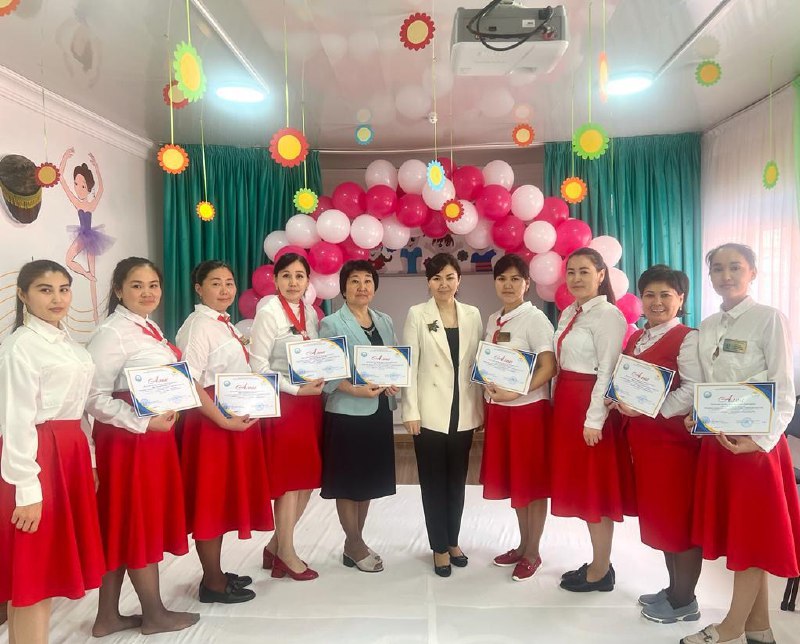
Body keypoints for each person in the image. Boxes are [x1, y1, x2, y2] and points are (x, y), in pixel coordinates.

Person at [681, 244, 800, 644]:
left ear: (753, 272)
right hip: (718, 443)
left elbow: (784, 388)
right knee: (746, 538)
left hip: (754, 448)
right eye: (717, 268)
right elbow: (708, 384)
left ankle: (731, 625)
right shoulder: (708, 325)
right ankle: (759, 629)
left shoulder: (769, 319)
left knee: (751, 538)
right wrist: (696, 415)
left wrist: (761, 442)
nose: (726, 275)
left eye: (735, 267)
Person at [85, 257, 198, 636]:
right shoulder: (112, 333)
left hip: (150, 438)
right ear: (118, 290)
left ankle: (107, 617)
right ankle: (154, 614)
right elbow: (92, 397)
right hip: (128, 442)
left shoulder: (146, 326)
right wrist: (142, 421)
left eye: (153, 285)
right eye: (137, 285)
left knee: (123, 524)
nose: (147, 292)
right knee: (137, 523)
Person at [0, 260, 105, 644]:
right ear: (23, 295)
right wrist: (27, 491)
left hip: (69, 455)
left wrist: (89, 460)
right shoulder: (20, 347)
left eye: (64, 289)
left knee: (40, 575)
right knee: (33, 575)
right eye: (45, 290)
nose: (57, 298)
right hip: (36, 458)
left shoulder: (69, 345)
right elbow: (15, 421)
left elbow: (78, 413)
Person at [607, 265, 704, 623]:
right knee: (662, 520)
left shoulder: (687, 338)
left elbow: (693, 389)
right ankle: (674, 588)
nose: (657, 301)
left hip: (673, 445)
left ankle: (684, 601)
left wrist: (651, 409)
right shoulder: (637, 338)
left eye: (666, 295)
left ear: (681, 299)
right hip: (645, 444)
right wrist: (618, 398)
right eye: (650, 294)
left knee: (678, 522)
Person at [175, 261, 274, 603]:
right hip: (211, 425)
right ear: (198, 288)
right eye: (215, 283)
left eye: (229, 283)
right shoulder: (199, 326)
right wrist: (221, 420)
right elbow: (189, 380)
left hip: (228, 420)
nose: (224, 289)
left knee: (222, 499)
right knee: (211, 501)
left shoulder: (221, 322)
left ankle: (215, 572)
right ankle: (212, 583)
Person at [402, 252, 484, 577]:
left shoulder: (473, 314)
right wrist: (410, 410)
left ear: (459, 280)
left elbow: (478, 363)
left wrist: (483, 406)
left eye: (449, 277)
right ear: (428, 283)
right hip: (429, 413)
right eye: (436, 278)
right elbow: (409, 365)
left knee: (457, 482)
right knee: (433, 483)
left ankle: (453, 541)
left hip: (463, 410)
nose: (444, 284)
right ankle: (438, 546)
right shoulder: (417, 314)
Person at [551, 247, 628, 593]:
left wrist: (594, 419)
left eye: (584, 271)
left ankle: (601, 570)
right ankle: (599, 562)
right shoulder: (571, 311)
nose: (576, 278)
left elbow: (607, 371)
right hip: (568, 402)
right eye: (571, 272)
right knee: (583, 488)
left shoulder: (608, 315)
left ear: (600, 275)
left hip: (589, 408)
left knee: (596, 490)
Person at [480, 253, 557, 582]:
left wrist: (517, 392)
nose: (508, 285)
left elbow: (549, 366)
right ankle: (522, 544)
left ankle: (533, 552)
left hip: (528, 413)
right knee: (516, 482)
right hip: (500, 412)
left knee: (532, 485)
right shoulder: (493, 318)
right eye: (502, 279)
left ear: (527, 284)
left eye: (515, 279)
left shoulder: (535, 320)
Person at [318, 260, 398, 573]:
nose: (362, 287)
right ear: (343, 288)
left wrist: (393, 381)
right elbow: (327, 373)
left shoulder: (384, 320)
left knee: (367, 482)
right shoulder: (332, 324)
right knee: (349, 483)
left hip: (378, 411)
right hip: (347, 413)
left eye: (367, 280)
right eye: (354, 281)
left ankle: (356, 542)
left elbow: (391, 360)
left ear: (374, 287)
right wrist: (354, 390)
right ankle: (353, 543)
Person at [250, 252, 324, 581]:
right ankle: (287, 553)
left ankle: (276, 546)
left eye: (299, 276)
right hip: (284, 405)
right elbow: (258, 366)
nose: (293, 282)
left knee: (306, 480)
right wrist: (295, 390)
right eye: (286, 276)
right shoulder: (268, 311)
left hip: (309, 406)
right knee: (289, 483)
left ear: (308, 281)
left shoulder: (311, 313)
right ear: (276, 280)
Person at [58, 148, 113, 323]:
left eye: (82, 186)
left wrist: (96, 167)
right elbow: (61, 179)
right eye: (76, 184)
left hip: (87, 236)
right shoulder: (79, 202)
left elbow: (101, 189)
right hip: (85, 236)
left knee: (91, 275)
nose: (78, 189)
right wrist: (64, 159)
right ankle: (86, 274)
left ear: (89, 188)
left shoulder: (89, 204)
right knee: (70, 260)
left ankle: (96, 314)